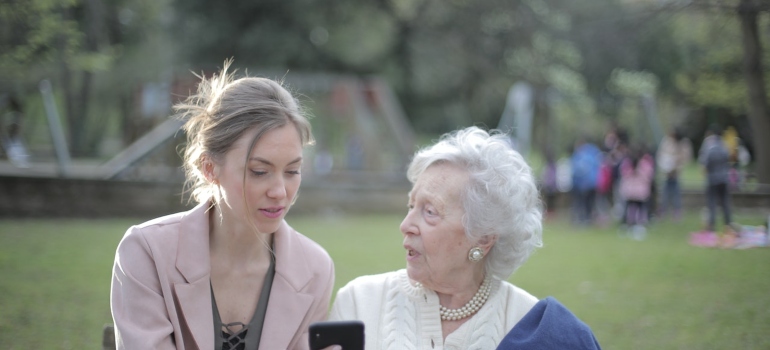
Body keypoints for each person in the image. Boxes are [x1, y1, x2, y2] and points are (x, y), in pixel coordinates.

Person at [110, 61, 335, 350]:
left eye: (292, 171)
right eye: (259, 171)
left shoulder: (315, 269)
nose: (280, 192)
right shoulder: (147, 252)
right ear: (209, 168)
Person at [328, 127, 600, 349]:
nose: (406, 225)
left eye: (430, 211)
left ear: (483, 238)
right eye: (411, 206)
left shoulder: (532, 327)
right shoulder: (358, 302)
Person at [698, 125, 734, 234]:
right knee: (725, 202)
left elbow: (705, 162)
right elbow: (729, 159)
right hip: (724, 178)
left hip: (712, 179)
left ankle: (711, 225)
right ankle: (728, 224)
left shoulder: (709, 146)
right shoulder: (724, 145)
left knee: (712, 203)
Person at [619, 145, 655, 239]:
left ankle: (635, 225)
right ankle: (634, 225)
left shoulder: (630, 164)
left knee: (634, 209)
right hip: (638, 192)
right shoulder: (643, 164)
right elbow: (649, 177)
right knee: (636, 209)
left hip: (633, 192)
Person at [657, 127, 692, 220]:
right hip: (666, 172)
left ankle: (677, 212)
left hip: (676, 172)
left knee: (676, 193)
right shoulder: (667, 142)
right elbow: (661, 155)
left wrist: (676, 162)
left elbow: (686, 157)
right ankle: (663, 210)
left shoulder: (683, 143)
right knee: (665, 192)